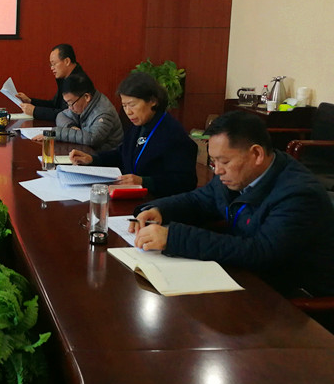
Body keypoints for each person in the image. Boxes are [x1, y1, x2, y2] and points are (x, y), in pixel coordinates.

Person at [130, 111, 334, 297]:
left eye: (224, 162)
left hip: (293, 297)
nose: (217, 170)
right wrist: (158, 209)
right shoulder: (236, 177)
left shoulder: (298, 194)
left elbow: (262, 252)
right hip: (244, 276)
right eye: (213, 161)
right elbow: (199, 200)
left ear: (257, 154)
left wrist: (174, 238)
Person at [69, 72, 197, 197]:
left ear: (152, 101)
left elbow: (186, 182)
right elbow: (122, 154)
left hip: (156, 202)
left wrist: (144, 182)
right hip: (129, 196)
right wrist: (92, 159)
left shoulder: (173, 134)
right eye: (124, 106)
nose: (128, 112)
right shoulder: (139, 125)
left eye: (132, 105)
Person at [32, 73, 123, 152]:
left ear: (87, 97)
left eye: (71, 103)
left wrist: (55, 133)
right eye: (67, 103)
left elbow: (92, 139)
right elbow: (61, 115)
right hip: (87, 153)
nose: (70, 108)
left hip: (105, 160)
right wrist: (71, 127)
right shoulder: (82, 103)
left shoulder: (104, 112)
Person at [16, 44, 88, 121]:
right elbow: (55, 104)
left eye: (54, 64)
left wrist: (35, 111)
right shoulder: (66, 79)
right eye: (51, 65)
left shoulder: (78, 82)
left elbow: (68, 115)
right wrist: (30, 101)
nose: (52, 68)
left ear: (67, 61)